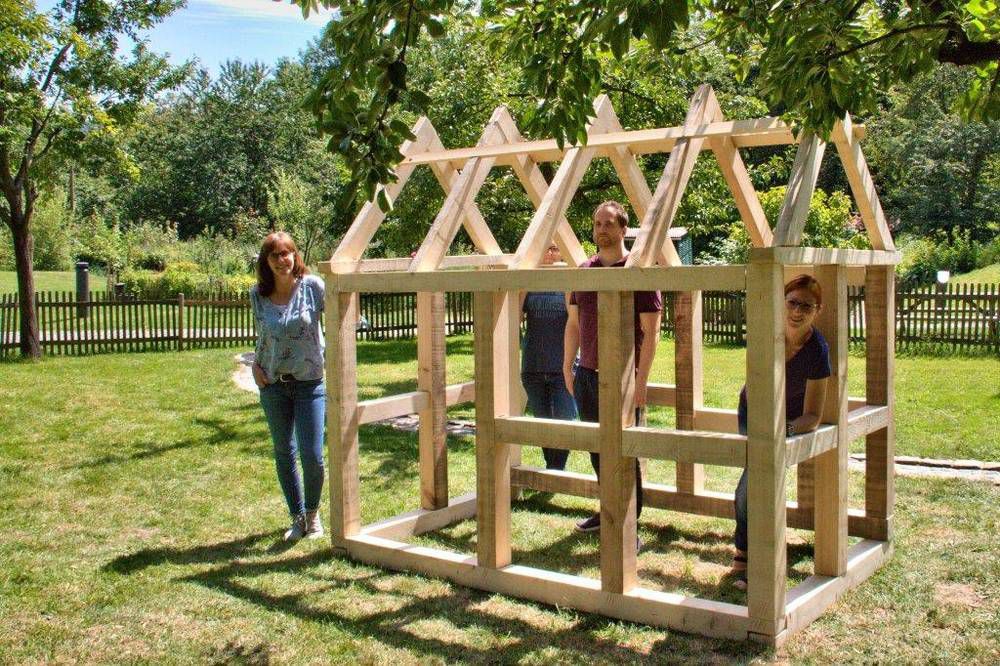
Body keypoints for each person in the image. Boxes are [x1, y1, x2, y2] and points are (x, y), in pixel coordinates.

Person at [563, 201, 662, 535]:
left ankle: (628, 523)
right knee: (596, 447)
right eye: (596, 224)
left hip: (624, 377)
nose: (601, 230)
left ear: (623, 229)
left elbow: (652, 332)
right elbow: (574, 324)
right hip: (588, 373)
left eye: (608, 224)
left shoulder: (638, 270)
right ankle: (608, 510)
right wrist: (567, 364)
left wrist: (641, 380)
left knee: (626, 451)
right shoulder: (584, 271)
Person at [731, 274, 831, 588]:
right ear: (781, 302)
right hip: (753, 412)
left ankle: (751, 556)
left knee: (754, 486)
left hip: (787, 422)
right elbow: (756, 385)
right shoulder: (766, 332)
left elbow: (813, 416)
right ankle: (747, 552)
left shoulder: (817, 351)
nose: (797, 311)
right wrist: (764, 424)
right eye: (792, 302)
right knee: (753, 481)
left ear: (818, 310)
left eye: (807, 305)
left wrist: (783, 429)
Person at [250, 232, 327, 541]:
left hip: (310, 383)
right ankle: (297, 518)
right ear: (265, 262)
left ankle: (313, 514)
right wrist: (254, 366)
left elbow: (341, 316)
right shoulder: (257, 294)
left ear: (295, 256)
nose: (281, 260)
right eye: (274, 255)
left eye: (286, 253)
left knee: (312, 455)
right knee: (284, 452)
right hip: (272, 385)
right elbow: (263, 335)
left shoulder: (313, 287)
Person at [521, 243, 577, 471]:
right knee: (542, 423)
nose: (550, 253)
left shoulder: (568, 280)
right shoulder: (528, 280)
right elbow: (513, 318)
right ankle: (552, 468)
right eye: (545, 248)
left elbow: (575, 321)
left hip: (562, 365)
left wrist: (565, 283)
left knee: (565, 421)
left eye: (555, 248)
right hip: (533, 365)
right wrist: (523, 282)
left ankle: (556, 470)